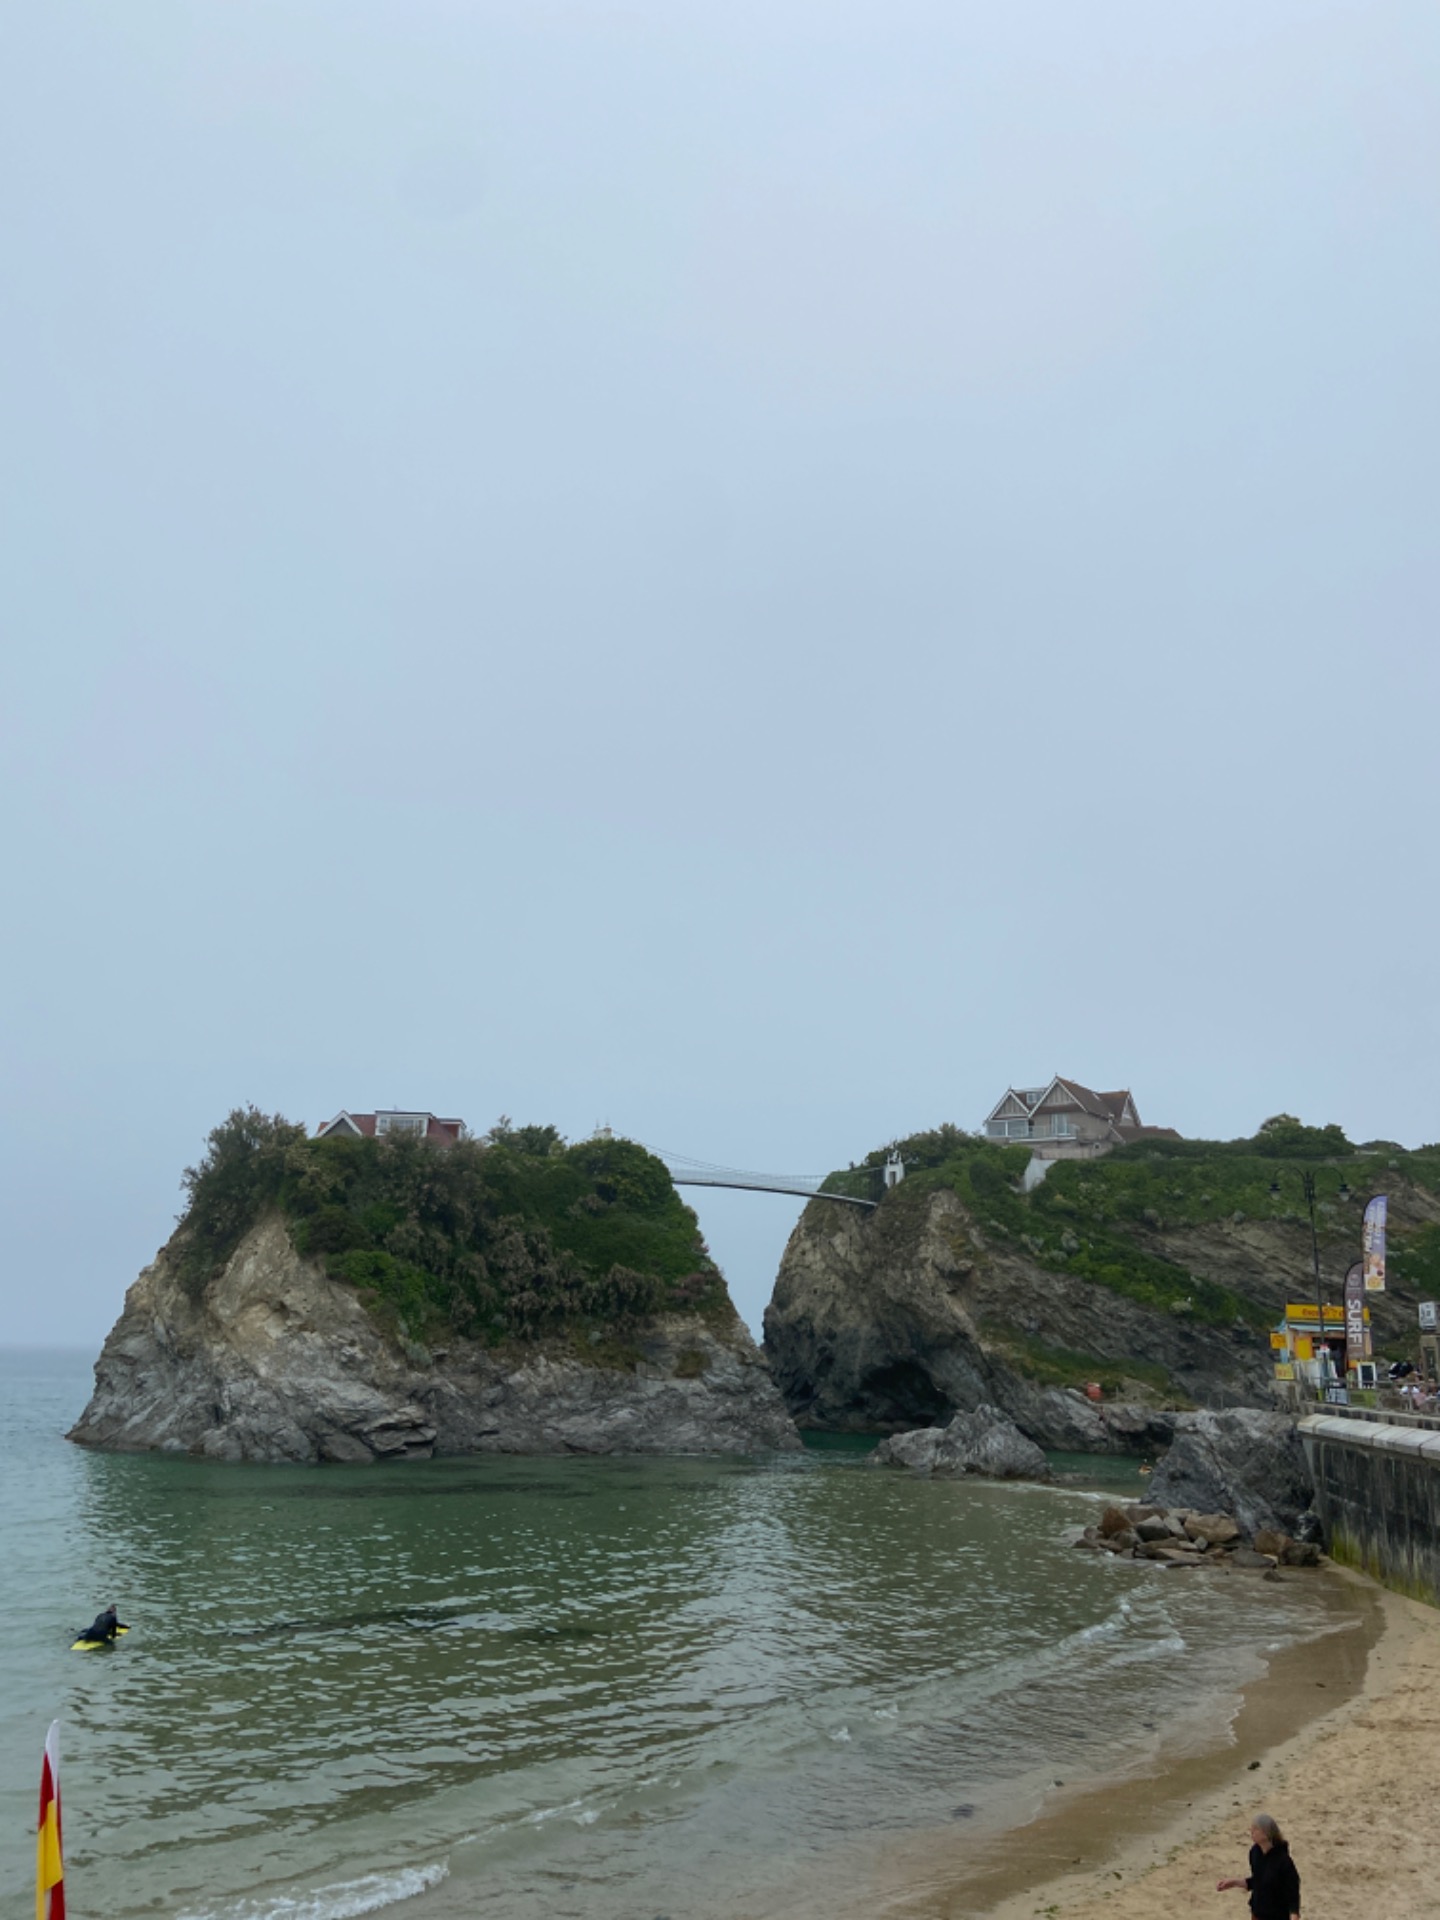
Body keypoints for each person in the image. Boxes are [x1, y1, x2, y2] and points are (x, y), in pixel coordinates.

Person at [1217, 1814, 1300, 1920]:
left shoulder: (1284, 1862)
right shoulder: (1255, 1852)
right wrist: (1233, 1882)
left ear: (1266, 1833)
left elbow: (1293, 1895)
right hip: (1257, 1913)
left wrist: (1294, 1915)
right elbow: (1258, 1882)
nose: (1251, 1831)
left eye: (1255, 1829)